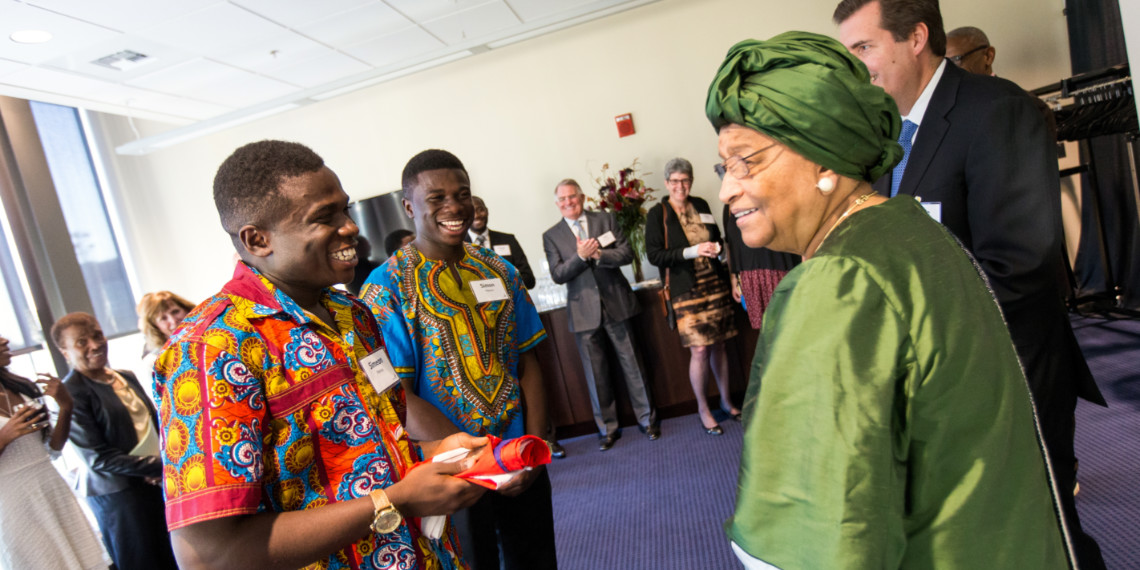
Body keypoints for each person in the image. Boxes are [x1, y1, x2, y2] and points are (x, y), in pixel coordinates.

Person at [707, 32, 1070, 568]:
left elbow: (815, 542)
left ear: (823, 158)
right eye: (724, 167)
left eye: (746, 162)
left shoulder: (836, 283)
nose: (727, 190)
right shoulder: (909, 228)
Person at [834, 2, 1105, 565]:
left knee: (1048, 534)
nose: (857, 67)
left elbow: (1019, 265)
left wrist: (912, 345)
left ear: (915, 37)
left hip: (1013, 376)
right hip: (949, 386)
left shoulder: (997, 109)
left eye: (864, 48)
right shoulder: (890, 140)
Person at [154, 140, 486, 569]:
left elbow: (369, 450)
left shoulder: (352, 314)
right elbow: (209, 555)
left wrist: (434, 453)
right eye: (324, 217)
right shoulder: (212, 350)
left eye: (344, 210)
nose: (350, 227)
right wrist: (394, 502)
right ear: (258, 240)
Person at [360, 149, 556, 570]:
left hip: (519, 456)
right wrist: (475, 462)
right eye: (436, 198)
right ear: (409, 207)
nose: (454, 207)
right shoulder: (386, 289)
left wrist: (538, 445)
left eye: (462, 194)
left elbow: (528, 363)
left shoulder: (498, 270)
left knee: (536, 560)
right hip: (450, 476)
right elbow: (396, 396)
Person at [52, 312, 178, 570]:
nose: (95, 345)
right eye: (81, 342)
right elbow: (97, 458)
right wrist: (160, 466)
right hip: (121, 498)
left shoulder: (125, 376)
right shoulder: (72, 392)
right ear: (65, 352)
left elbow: (155, 426)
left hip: (159, 485)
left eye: (97, 335)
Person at [542, 179, 659, 451]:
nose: (568, 202)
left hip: (616, 302)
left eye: (572, 197)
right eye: (562, 199)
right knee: (596, 374)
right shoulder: (551, 235)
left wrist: (598, 255)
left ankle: (648, 421)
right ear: (557, 204)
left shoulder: (605, 219)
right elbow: (558, 274)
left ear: (582, 197)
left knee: (633, 365)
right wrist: (581, 257)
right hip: (583, 311)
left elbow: (627, 253)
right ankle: (607, 430)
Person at [644, 158, 740, 435]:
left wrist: (717, 249)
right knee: (700, 349)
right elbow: (654, 255)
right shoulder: (657, 213)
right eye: (675, 181)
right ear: (667, 183)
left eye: (685, 180)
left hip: (714, 282)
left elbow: (719, 238)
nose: (680, 186)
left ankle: (726, 400)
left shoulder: (701, 205)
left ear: (691, 181)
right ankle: (703, 408)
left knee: (720, 344)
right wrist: (693, 251)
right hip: (685, 289)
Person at [0, 334, 106, 569]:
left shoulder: (20, 388)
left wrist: (66, 406)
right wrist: (4, 437)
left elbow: (52, 448)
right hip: (12, 502)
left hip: (50, 486)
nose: (5, 340)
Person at [721, 202, 800, 328]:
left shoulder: (763, 193)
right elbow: (730, 245)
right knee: (766, 332)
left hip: (779, 269)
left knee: (790, 324)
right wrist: (733, 278)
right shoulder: (728, 207)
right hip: (749, 277)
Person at [465, 196, 537, 289]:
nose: (477, 215)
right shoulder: (458, 246)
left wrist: (501, 285)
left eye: (480, 210)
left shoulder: (508, 240)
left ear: (487, 211)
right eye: (471, 212)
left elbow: (529, 279)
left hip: (511, 301)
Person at [135, 290, 195, 399]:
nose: (173, 321)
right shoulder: (152, 362)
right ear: (155, 327)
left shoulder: (211, 341)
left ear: (187, 310)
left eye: (175, 311)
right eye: (163, 318)